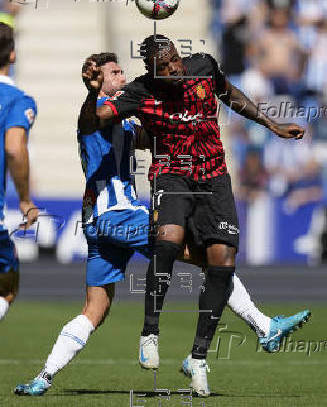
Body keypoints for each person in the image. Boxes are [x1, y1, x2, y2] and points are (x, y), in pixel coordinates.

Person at [14, 50, 310, 397]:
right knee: (211, 258)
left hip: (97, 221)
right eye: (115, 73)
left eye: (123, 71)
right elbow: (90, 118)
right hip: (119, 215)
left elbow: (155, 138)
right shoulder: (93, 114)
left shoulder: (125, 119)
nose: (122, 77)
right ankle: (263, 326)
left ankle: (44, 377)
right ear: (98, 81)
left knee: (96, 308)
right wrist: (92, 91)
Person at [0, 22, 38, 325]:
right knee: (7, 287)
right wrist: (25, 199)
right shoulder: (17, 100)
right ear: (12, 55)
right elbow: (14, 148)